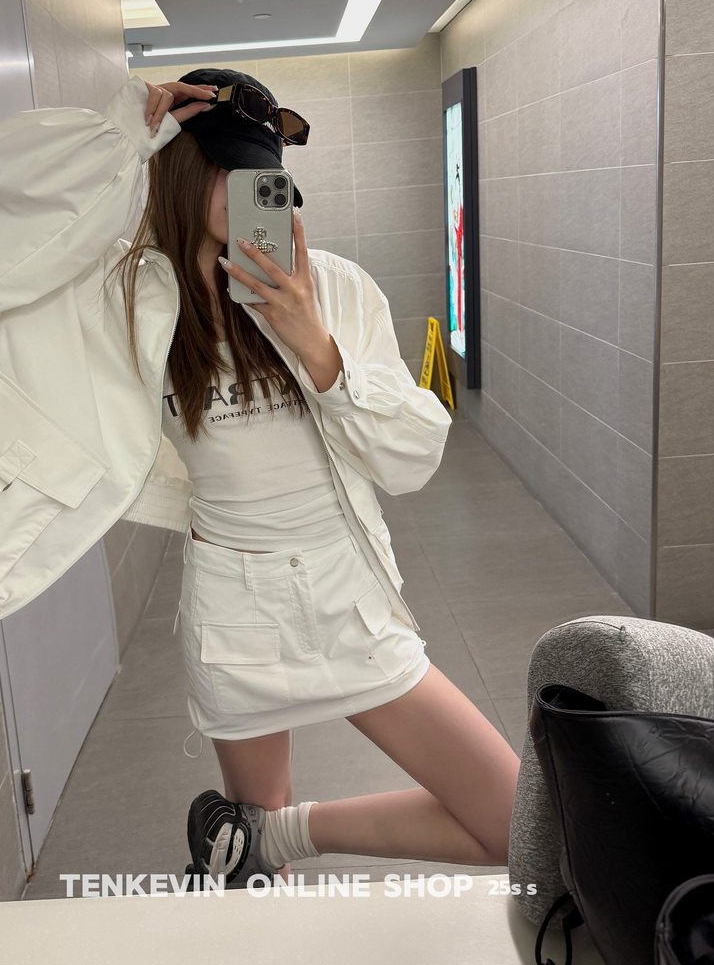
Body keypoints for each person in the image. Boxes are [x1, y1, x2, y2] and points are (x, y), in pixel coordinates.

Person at [129, 70, 521, 887]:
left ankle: (283, 836)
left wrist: (315, 343)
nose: (259, 197)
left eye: (267, 180)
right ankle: (257, 852)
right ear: (181, 170)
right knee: (251, 879)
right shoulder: (137, 304)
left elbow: (411, 459)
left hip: (347, 593)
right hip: (236, 608)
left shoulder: (335, 287)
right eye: (235, 172)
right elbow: (8, 263)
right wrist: (119, 128)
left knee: (515, 820)